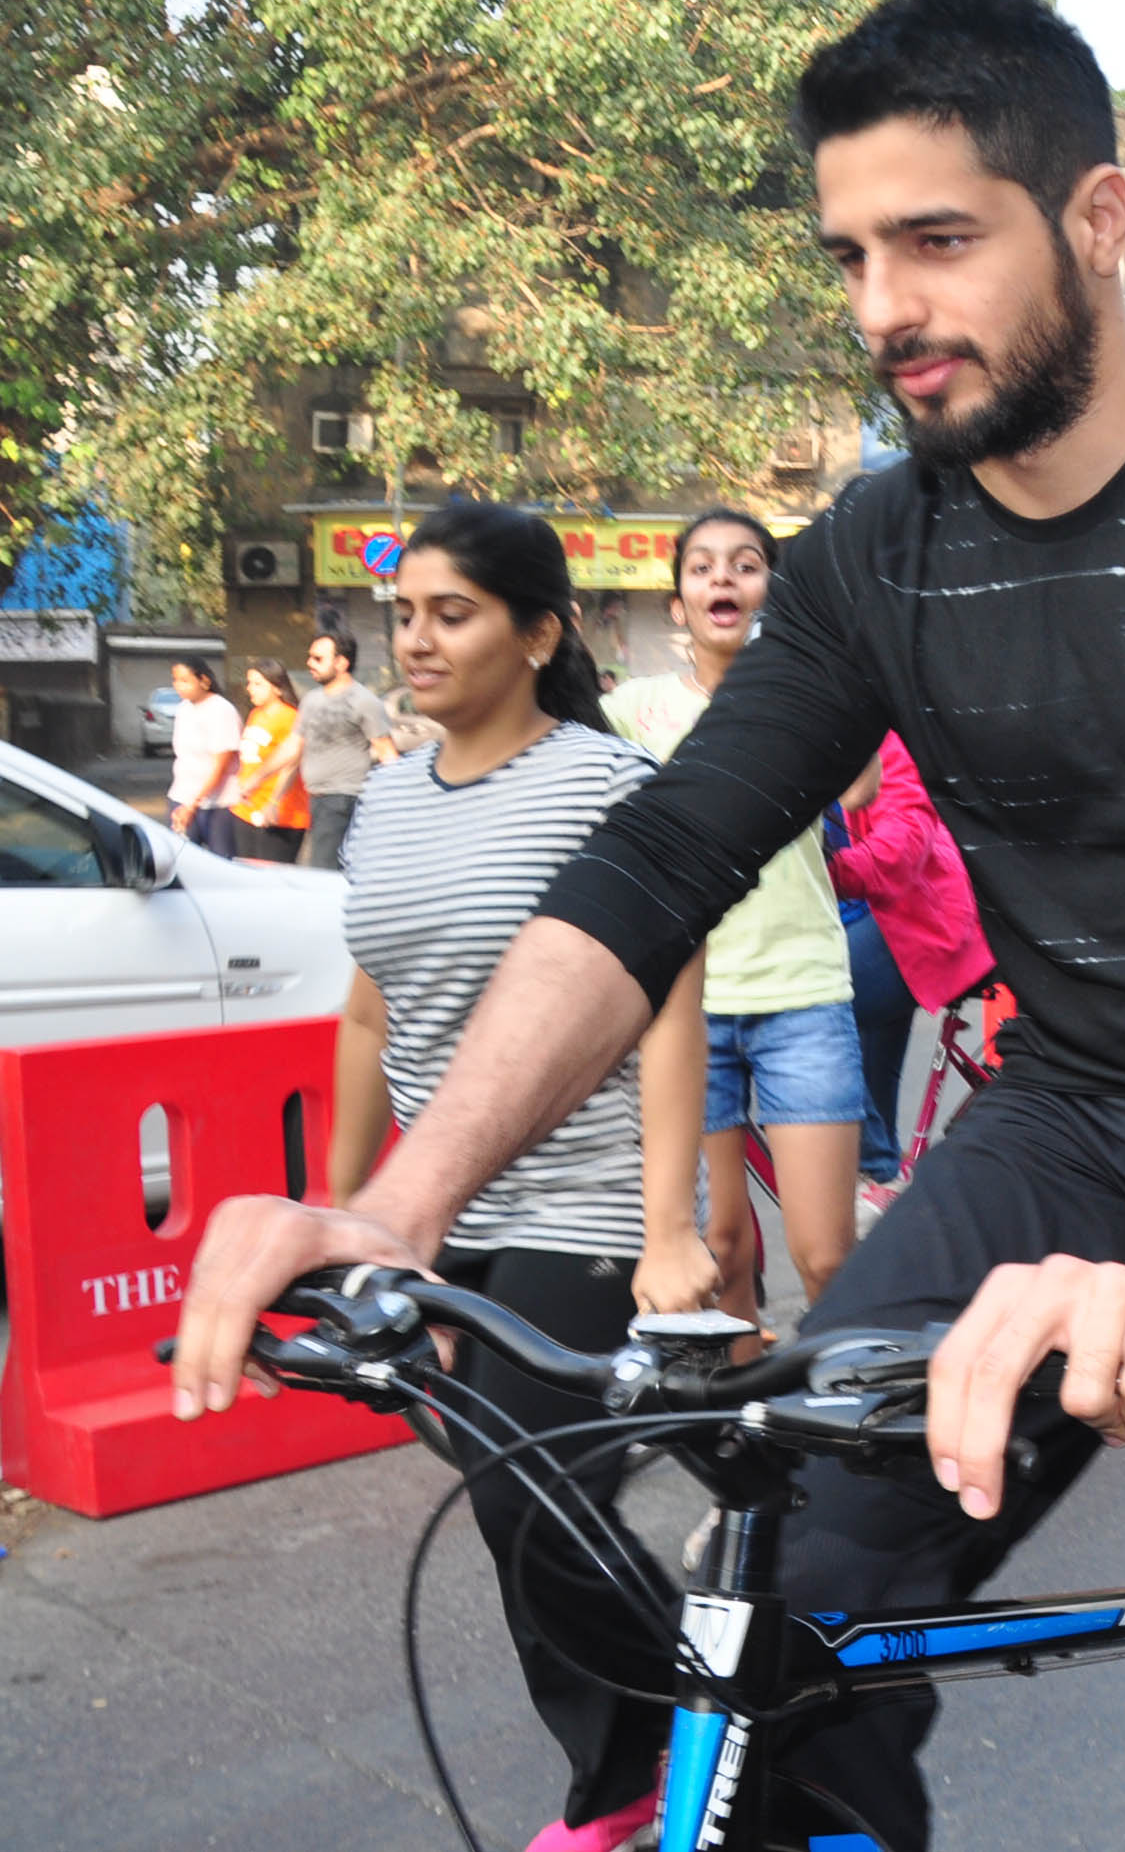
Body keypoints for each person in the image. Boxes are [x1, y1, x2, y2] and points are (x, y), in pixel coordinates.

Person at [170, 0, 1125, 1851]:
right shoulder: (876, 554)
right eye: (850, 254)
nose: (882, 307)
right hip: (1071, 1117)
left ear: (1095, 220)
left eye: (936, 240)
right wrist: (395, 1212)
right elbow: (660, 864)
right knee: (753, 1649)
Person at [332, 502, 715, 1852]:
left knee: (521, 1492)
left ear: (539, 632)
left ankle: (633, 1776)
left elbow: (668, 1001)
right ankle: (689, 1721)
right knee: (512, 1508)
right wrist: (346, 1216)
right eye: (406, 614)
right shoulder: (382, 796)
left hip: (588, 1200)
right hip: (442, 1212)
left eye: (454, 612)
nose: (417, 638)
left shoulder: (601, 784)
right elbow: (370, 1017)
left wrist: (672, 1225)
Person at [605, 507, 865, 1318]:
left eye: (747, 564)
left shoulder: (814, 701)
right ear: (678, 604)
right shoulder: (631, 712)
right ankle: (747, 1433)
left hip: (802, 995)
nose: (723, 577)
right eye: (703, 566)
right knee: (720, 1247)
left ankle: (838, 1422)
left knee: (826, 1257)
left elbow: (858, 789)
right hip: (687, 1011)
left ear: (771, 594)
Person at [825, 732, 993, 1227]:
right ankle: (876, 1171)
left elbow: (904, 840)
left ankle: (880, 1172)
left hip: (918, 923)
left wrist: (824, 870)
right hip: (863, 919)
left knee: (813, 1007)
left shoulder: (881, 738)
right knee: (866, 1034)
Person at [297, 629, 396, 869]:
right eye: (310, 657)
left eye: (318, 658)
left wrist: (398, 803)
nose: (310, 663)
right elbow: (294, 747)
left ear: (342, 662)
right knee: (326, 871)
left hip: (342, 798)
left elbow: (387, 753)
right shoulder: (311, 699)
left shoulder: (363, 701)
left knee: (323, 872)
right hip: (317, 798)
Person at [227, 659, 311, 863]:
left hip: (279, 813)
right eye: (249, 683)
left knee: (272, 879)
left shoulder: (291, 717)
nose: (250, 689)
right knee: (246, 872)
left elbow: (292, 762)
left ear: (278, 688)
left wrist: (274, 801)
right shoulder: (256, 714)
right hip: (246, 808)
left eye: (258, 684)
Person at [164, 658, 243, 856]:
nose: (178, 686)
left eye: (185, 680)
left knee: (222, 862)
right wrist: (185, 804)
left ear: (204, 681)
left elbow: (220, 766)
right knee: (184, 860)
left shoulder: (221, 710)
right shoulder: (184, 709)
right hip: (181, 797)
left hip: (218, 803)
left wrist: (194, 804)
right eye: (175, 680)